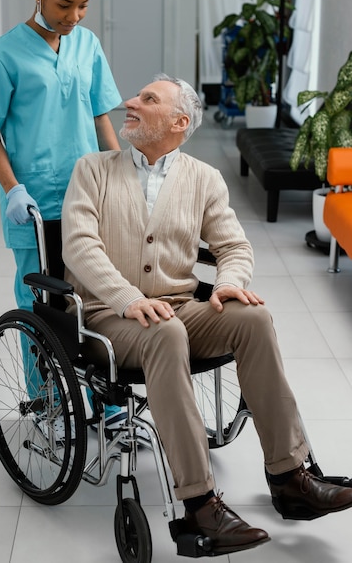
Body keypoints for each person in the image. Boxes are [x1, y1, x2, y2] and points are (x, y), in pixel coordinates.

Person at [61, 74, 352, 555]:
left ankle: (291, 477)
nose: (130, 102)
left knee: (253, 319)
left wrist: (230, 284)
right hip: (109, 316)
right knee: (166, 334)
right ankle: (199, 503)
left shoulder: (203, 178)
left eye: (147, 99)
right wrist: (128, 298)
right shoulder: (92, 170)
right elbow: (79, 245)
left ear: (179, 123)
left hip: (177, 307)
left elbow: (233, 245)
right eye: (136, 95)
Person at [0, 0, 123, 423]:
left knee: (93, 295)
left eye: (82, 6)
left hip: (87, 194)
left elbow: (100, 115)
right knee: (41, 300)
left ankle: (105, 395)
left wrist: (121, 171)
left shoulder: (87, 44)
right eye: (63, 5)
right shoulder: (1, 55)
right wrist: (12, 188)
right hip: (33, 202)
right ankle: (50, 397)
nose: (74, 16)